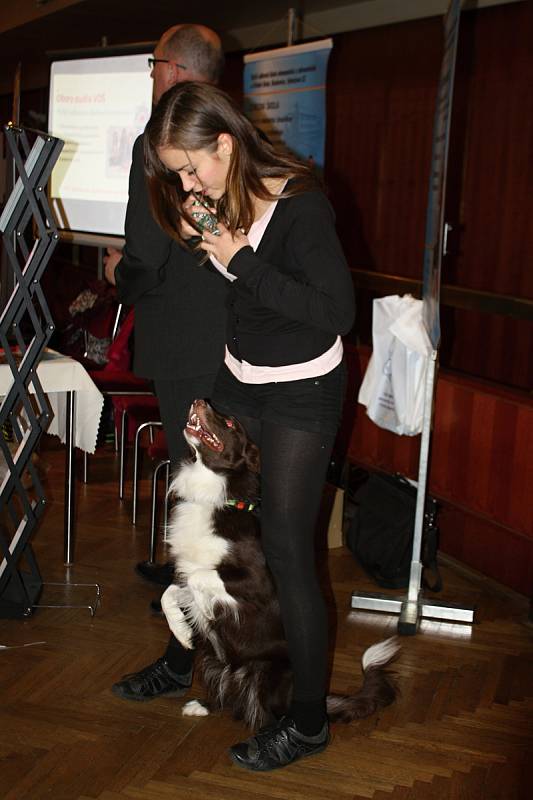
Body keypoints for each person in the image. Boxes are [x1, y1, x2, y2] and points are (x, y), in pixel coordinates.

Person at [139, 81, 356, 771]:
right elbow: (248, 294)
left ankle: (309, 721)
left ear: (225, 143)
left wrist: (241, 262)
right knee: (208, 522)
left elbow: (335, 311)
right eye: (175, 171)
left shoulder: (302, 205)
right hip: (243, 374)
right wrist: (211, 244)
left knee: (289, 554)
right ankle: (185, 660)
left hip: (302, 391)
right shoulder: (224, 197)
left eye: (190, 165)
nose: (186, 181)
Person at [107, 28, 227, 699]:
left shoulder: (158, 141)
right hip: (234, 343)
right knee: (211, 497)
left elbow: (144, 257)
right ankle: (207, 633)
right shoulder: (228, 136)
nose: (150, 74)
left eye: (152, 62)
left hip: (184, 345)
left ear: (173, 69)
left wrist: (118, 276)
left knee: (196, 502)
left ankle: (182, 661)